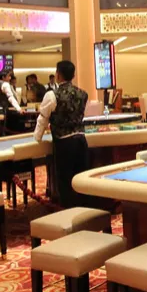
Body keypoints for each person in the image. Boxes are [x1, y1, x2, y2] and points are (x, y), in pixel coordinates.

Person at [34, 60, 90, 207]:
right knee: (81, 179)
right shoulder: (83, 94)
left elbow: (43, 119)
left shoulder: (52, 95)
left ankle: (69, 212)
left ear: (58, 75)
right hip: (81, 140)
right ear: (73, 75)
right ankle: (85, 212)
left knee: (65, 182)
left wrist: (36, 139)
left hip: (64, 143)